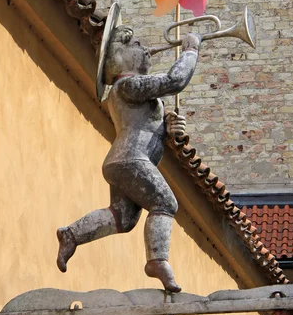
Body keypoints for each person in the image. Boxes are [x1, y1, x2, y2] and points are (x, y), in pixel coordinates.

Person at [56, 23, 201, 293]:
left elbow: (143, 126)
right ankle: (157, 261)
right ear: (119, 58)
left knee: (123, 218)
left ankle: (71, 234)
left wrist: (167, 128)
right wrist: (190, 50)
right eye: (136, 46)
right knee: (165, 202)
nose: (146, 48)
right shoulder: (128, 84)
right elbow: (174, 81)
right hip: (132, 160)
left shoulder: (127, 90)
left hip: (122, 162)